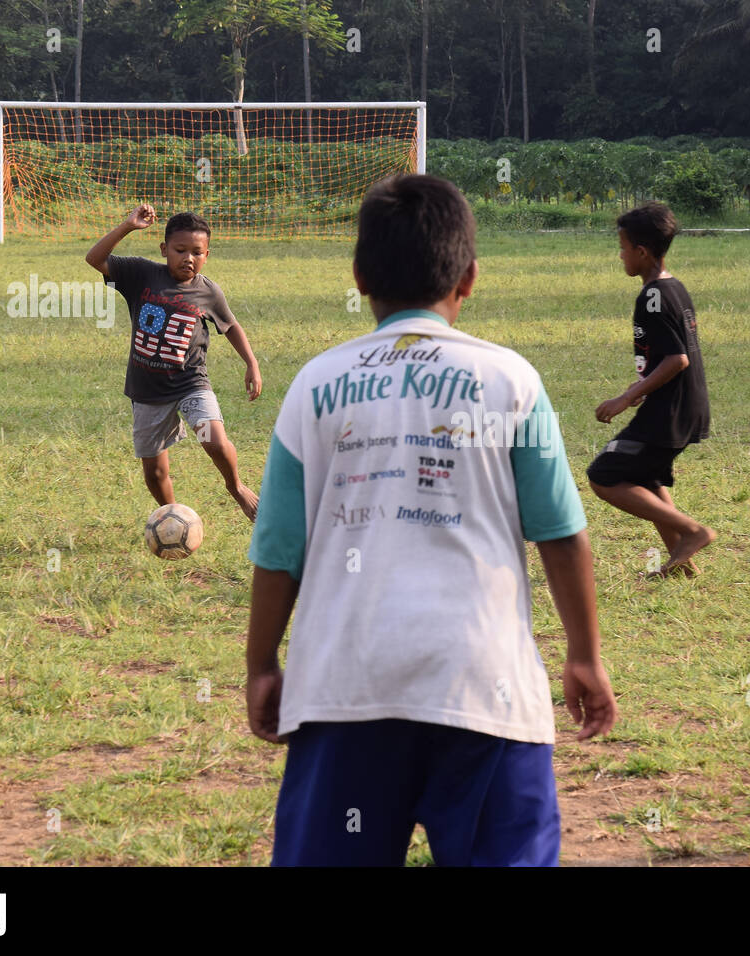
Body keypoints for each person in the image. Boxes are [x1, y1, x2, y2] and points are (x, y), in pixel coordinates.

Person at [245, 174, 617, 867]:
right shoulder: (511, 380)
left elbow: (278, 549)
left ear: (358, 277)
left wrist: (262, 664)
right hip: (484, 686)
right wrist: (585, 655)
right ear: (469, 279)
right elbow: (561, 532)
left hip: (343, 688)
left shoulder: (314, 385)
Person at [87, 205, 261, 522]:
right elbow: (94, 259)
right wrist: (127, 226)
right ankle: (171, 518)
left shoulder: (208, 291)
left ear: (207, 254)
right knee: (154, 473)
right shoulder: (141, 274)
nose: (188, 259)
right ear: (164, 249)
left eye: (197, 252)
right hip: (147, 390)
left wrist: (251, 363)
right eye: (180, 250)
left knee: (214, 437)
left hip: (190, 382)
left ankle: (236, 487)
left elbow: (231, 326)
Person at [587, 202, 714, 577]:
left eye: (623, 247)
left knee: (604, 475)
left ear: (641, 252)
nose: (620, 254)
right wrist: (642, 385)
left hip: (670, 409)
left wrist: (626, 398)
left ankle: (693, 532)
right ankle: (678, 560)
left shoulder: (653, 296)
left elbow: (678, 359)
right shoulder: (673, 288)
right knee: (647, 476)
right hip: (683, 403)